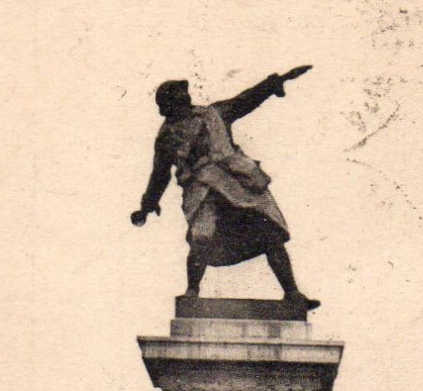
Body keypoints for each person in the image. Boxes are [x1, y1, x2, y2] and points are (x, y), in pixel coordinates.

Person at [131, 67, 320, 311]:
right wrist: (147, 205)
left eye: (184, 93)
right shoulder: (166, 136)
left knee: (270, 233)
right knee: (201, 238)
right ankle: (191, 294)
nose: (185, 97)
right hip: (202, 192)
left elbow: (246, 100)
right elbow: (159, 173)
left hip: (236, 186)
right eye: (177, 95)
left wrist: (273, 83)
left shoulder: (214, 114)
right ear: (168, 104)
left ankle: (293, 295)